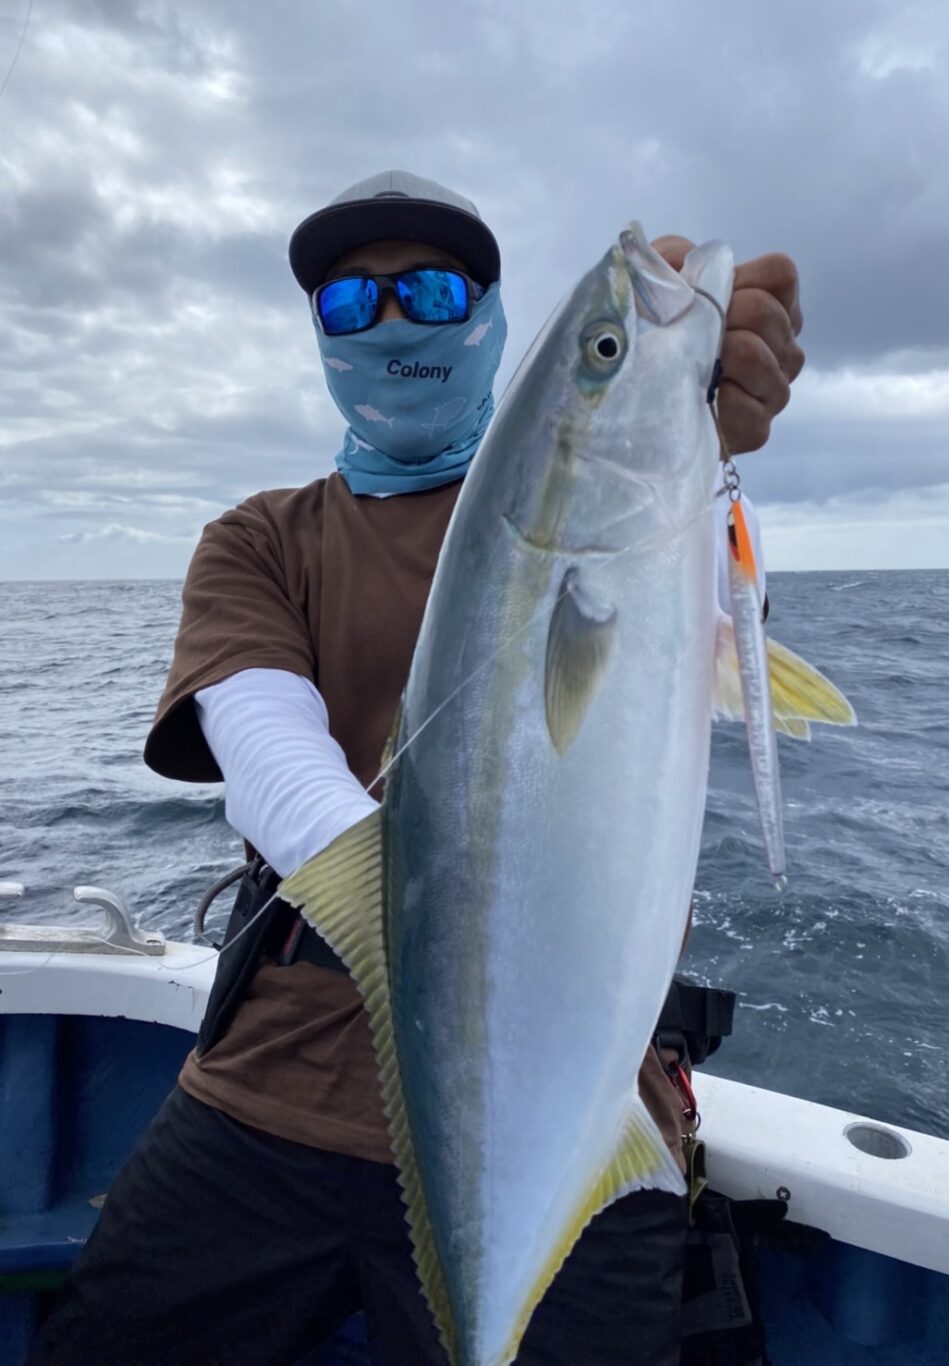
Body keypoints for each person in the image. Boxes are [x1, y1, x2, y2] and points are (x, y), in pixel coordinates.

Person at [28, 171, 804, 1366]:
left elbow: (678, 653)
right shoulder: (262, 539)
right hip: (277, 1080)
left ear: (489, 316)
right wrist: (431, 934)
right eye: (351, 302)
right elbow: (268, 755)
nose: (390, 319)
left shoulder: (647, 520)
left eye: (430, 290)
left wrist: (697, 425)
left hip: (578, 1097)